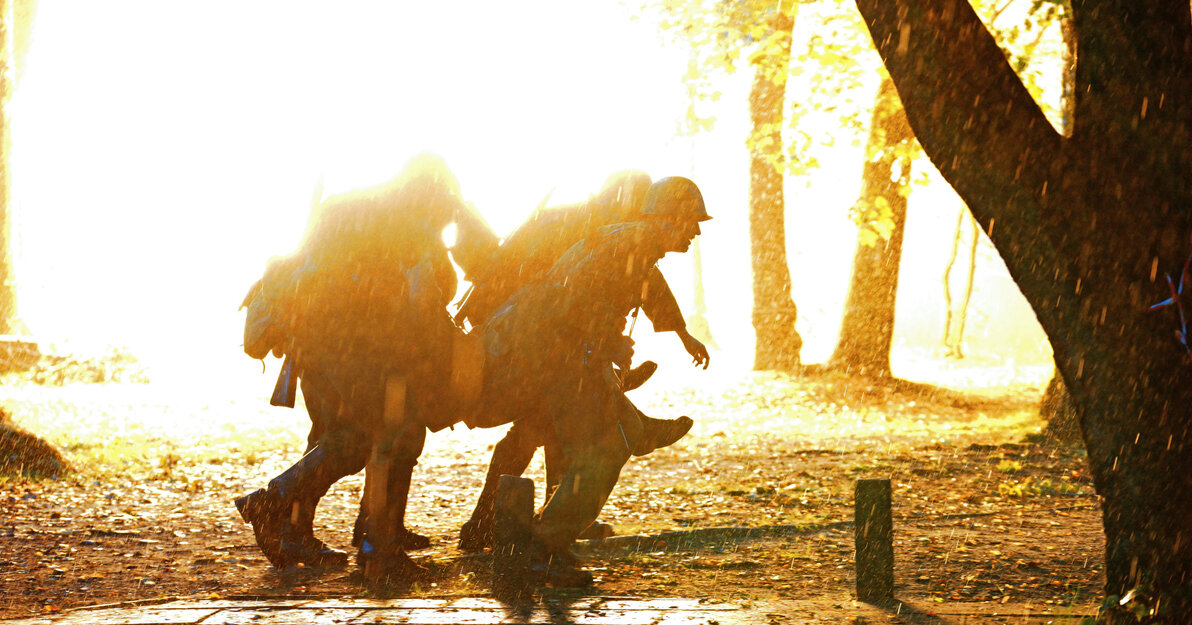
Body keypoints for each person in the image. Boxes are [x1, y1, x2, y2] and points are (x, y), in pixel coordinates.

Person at [460, 176, 712, 585]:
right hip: (559, 363)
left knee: (610, 435)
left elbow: (646, 287)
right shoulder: (627, 244)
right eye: (690, 221)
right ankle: (544, 551)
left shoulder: (632, 243)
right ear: (667, 218)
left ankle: (635, 431)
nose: (696, 231)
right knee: (605, 449)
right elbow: (573, 299)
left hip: (563, 361)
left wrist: (679, 332)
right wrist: (611, 343)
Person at [234, 153, 467, 578]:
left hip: (307, 340)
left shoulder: (350, 205)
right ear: (432, 190)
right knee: (393, 432)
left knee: (334, 435)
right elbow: (442, 287)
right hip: (354, 343)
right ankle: (375, 546)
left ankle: (293, 531)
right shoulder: (409, 220)